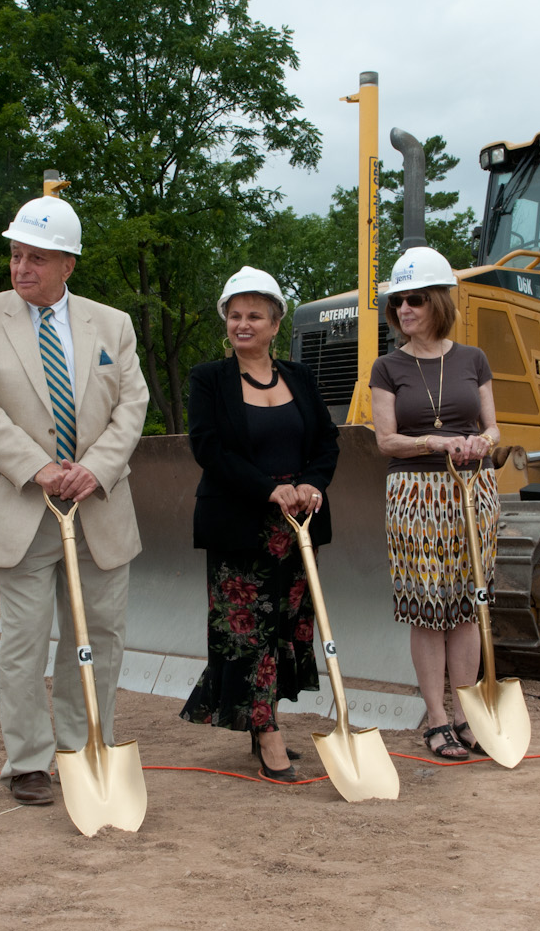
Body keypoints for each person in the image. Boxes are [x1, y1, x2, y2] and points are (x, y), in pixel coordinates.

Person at [0, 188, 148, 806]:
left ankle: (87, 745)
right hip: (18, 505)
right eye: (15, 255)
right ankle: (29, 762)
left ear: (69, 264)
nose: (21, 269)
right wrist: (38, 467)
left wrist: (95, 468)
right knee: (25, 638)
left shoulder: (112, 324)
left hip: (98, 505)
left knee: (100, 636)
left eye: (36, 258)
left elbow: (132, 404)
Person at [178, 267, 339, 783]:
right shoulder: (209, 379)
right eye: (234, 314)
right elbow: (208, 448)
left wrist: (313, 484)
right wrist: (267, 488)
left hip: (297, 525)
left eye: (254, 316)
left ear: (274, 324)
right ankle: (268, 734)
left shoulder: (301, 376)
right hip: (240, 522)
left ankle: (263, 718)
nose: (242, 324)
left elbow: (326, 443)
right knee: (247, 633)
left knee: (286, 630)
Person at [368, 246, 500, 761]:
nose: (404, 310)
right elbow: (386, 440)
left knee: (467, 603)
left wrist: (481, 443)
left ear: (439, 302)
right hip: (415, 493)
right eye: (398, 302)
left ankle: (466, 714)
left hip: (473, 490)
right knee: (427, 607)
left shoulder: (473, 359)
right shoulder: (388, 366)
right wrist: (436, 442)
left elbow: (492, 425)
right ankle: (437, 719)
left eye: (415, 300)